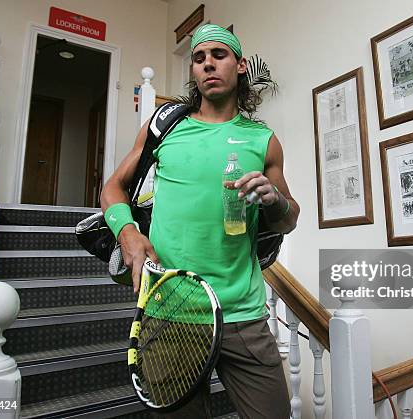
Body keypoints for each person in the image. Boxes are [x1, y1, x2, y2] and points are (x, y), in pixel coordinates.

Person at [100, 24, 298, 418]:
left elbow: (289, 219)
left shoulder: (263, 139)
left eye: (219, 55)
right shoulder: (165, 128)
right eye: (199, 57)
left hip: (242, 314)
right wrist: (128, 232)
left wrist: (273, 200)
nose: (208, 63)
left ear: (240, 65)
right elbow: (113, 189)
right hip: (170, 310)